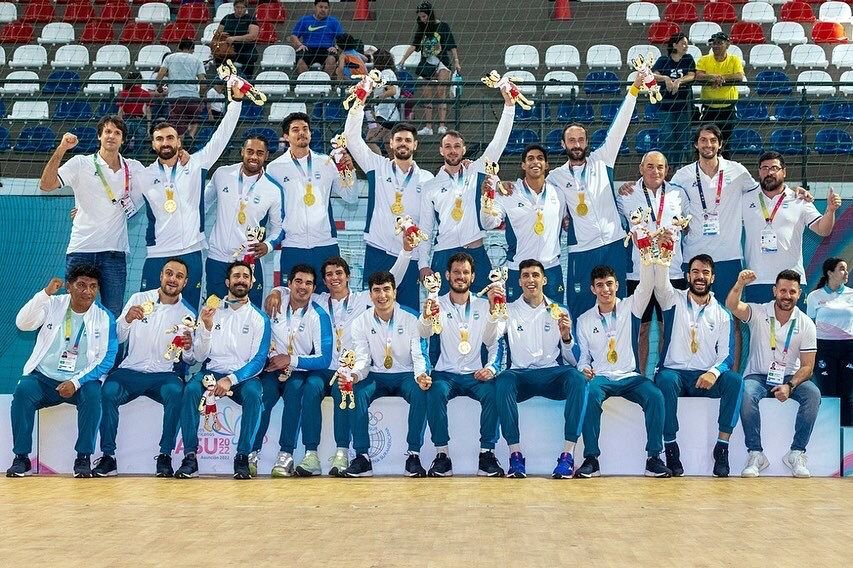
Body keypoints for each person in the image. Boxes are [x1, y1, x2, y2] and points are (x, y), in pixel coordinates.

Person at [262, 235, 414, 476]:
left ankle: (342, 452)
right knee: (311, 387)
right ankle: (311, 454)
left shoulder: (363, 299)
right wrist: (275, 290)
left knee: (345, 390)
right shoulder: (318, 299)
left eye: (339, 273)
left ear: (348, 276)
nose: (335, 278)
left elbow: (393, 278)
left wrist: (405, 252)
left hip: (350, 370)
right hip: (323, 367)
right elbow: (294, 289)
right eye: (330, 274)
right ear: (323, 281)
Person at [137, 83, 245, 310]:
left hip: (191, 252)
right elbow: (123, 201)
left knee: (188, 314)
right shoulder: (143, 176)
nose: (165, 143)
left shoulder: (196, 164)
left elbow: (221, 136)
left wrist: (235, 102)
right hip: (158, 253)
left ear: (179, 141)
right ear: (153, 143)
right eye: (160, 139)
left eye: (170, 138)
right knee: (146, 312)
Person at [6, 265, 118, 478]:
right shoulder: (53, 304)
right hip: (44, 378)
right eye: (82, 285)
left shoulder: (105, 317)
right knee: (22, 392)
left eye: (93, 286)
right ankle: (21, 458)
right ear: (69, 286)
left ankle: (83, 457)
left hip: (81, 381)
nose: (88, 291)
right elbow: (22, 324)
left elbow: (106, 359)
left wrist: (76, 382)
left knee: (95, 395)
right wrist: (44, 294)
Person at [548, 74, 644, 319]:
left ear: (587, 142)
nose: (577, 144)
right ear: (563, 144)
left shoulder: (603, 161)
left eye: (581, 139)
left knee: (619, 304)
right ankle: (582, 357)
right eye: (572, 140)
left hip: (613, 244)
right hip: (582, 249)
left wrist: (633, 89)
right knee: (581, 306)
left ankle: (621, 356)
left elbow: (620, 125)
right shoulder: (555, 178)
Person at [92, 259, 197, 478]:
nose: (172, 279)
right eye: (169, 273)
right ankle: (108, 456)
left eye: (179, 276)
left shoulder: (188, 315)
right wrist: (128, 319)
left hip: (164, 374)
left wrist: (188, 348)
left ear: (185, 282)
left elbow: (188, 359)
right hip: (130, 370)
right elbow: (118, 336)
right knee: (108, 391)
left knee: (177, 393)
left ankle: (165, 456)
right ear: (160, 276)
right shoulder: (138, 300)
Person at [38, 117, 145, 318]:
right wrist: (62, 149)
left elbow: (158, 184)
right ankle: (67, 350)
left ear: (123, 140)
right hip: (82, 250)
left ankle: (109, 351)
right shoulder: (81, 163)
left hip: (114, 253)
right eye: (107, 132)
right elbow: (46, 185)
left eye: (117, 133)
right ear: (99, 136)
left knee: (112, 314)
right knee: (73, 313)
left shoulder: (135, 168)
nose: (111, 136)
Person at [575, 261, 671, 478]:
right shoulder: (584, 320)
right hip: (602, 377)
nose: (605, 289)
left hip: (630, 377)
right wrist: (584, 369)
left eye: (609, 284)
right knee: (589, 395)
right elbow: (583, 357)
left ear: (617, 285)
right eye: (599, 285)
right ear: (592, 289)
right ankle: (591, 459)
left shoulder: (630, 306)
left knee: (655, 395)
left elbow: (646, 286)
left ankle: (653, 458)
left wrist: (645, 255)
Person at [176, 261, 271, 480]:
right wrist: (207, 328)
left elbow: (258, 361)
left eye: (245, 276)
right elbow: (199, 357)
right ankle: (190, 456)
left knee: (254, 394)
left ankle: (243, 457)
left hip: (244, 376)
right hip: (211, 372)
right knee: (190, 391)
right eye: (236, 276)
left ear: (251, 282)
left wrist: (231, 379)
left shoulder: (260, 318)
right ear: (228, 282)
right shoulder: (210, 312)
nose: (241, 280)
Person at [494, 260, 588, 479]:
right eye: (525, 275)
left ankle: (567, 455)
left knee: (577, 378)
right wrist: (494, 312)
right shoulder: (508, 310)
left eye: (535, 275)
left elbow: (573, 359)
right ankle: (515, 456)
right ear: (519, 281)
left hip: (552, 374)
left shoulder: (559, 310)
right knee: (503, 380)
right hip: (521, 375)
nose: (531, 280)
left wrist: (566, 336)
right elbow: (491, 338)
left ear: (544, 280)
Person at [652, 254, 743, 477]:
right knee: (664, 380)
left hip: (705, 377)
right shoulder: (672, 300)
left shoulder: (722, 314)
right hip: (676, 373)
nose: (700, 277)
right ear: (687, 276)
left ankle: (722, 447)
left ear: (713, 278)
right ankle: (671, 448)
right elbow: (661, 282)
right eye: (695, 272)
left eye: (705, 272)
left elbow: (727, 355)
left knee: (734, 380)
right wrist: (665, 252)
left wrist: (713, 372)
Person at [418, 87, 514, 295]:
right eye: (448, 146)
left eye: (457, 146)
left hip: (475, 251)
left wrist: (509, 106)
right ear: (441, 150)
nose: (453, 150)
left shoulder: (476, 171)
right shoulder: (430, 187)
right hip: (444, 253)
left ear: (463, 149)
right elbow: (425, 229)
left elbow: (499, 142)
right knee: (442, 314)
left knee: (488, 305)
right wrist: (423, 265)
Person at [419, 252, 506, 477]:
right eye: (456, 272)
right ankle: (442, 455)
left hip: (474, 374)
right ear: (447, 275)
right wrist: (427, 317)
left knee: (494, 391)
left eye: (465, 272)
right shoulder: (436, 303)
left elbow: (495, 341)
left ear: (473, 277)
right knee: (435, 391)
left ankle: (486, 454)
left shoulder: (483, 305)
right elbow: (423, 335)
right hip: (445, 374)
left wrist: (492, 368)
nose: (460, 276)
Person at [727, 269, 820, 478]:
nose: (787, 296)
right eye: (783, 290)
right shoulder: (759, 312)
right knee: (746, 392)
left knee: (813, 395)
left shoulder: (806, 323)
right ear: (774, 291)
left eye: (792, 292)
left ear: (799, 294)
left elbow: (807, 366)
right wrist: (740, 284)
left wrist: (790, 386)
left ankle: (796, 453)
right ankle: (755, 454)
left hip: (790, 378)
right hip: (758, 376)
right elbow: (732, 306)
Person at [339, 271, 430, 478]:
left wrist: (421, 376)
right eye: (377, 290)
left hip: (406, 374)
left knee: (421, 392)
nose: (382, 296)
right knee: (355, 391)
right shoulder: (360, 322)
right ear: (370, 295)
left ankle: (413, 456)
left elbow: (418, 353)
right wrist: (353, 376)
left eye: (386, 289)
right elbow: (362, 357)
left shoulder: (410, 318)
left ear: (395, 292)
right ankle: (362, 457)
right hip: (376, 375)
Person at [343, 104, 434, 309]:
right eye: (399, 139)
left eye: (408, 140)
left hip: (410, 255)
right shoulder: (376, 166)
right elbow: (351, 138)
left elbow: (427, 226)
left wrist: (423, 263)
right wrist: (358, 103)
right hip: (378, 252)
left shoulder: (427, 179)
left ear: (415, 145)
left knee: (409, 314)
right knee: (374, 313)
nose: (403, 144)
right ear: (391, 143)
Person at [267, 112, 358, 293]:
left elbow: (351, 197)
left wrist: (350, 171)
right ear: (286, 137)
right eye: (295, 130)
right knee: (294, 300)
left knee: (331, 298)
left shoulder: (327, 162)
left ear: (310, 133)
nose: (301, 133)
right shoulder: (274, 168)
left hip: (325, 244)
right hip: (293, 245)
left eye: (305, 129)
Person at [255, 265, 332, 477]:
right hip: (271, 368)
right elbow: (261, 338)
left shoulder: (319, 316)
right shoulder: (275, 304)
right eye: (298, 281)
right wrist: (272, 358)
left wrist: (290, 359)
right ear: (289, 285)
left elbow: (324, 359)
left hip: (298, 370)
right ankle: (251, 453)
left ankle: (286, 454)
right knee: (263, 396)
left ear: (314, 288)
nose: (303, 287)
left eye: (308, 283)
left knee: (295, 392)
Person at [616, 151, 689, 373]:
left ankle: (667, 373)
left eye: (660, 167)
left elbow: (688, 226)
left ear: (667, 170)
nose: (655, 171)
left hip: (672, 270)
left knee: (670, 327)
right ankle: (638, 375)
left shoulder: (679, 194)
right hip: (639, 272)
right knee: (642, 327)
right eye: (650, 166)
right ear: (640, 168)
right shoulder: (626, 195)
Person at [741, 152, 840, 303]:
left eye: (774, 168)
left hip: (792, 280)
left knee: (794, 327)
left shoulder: (799, 199)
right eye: (765, 168)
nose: (769, 172)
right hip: (756, 280)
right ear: (759, 172)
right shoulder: (745, 198)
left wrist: (830, 210)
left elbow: (823, 229)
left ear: (784, 171)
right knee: (760, 327)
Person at [204, 135, 284, 306]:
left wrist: (268, 245)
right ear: (242, 152)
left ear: (266, 156)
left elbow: (279, 228)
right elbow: (201, 205)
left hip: (248, 262)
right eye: (250, 151)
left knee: (250, 313)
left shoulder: (273, 189)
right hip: (217, 259)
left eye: (259, 153)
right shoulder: (222, 174)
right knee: (214, 311)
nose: (254, 157)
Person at [480, 145, 566, 302]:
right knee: (516, 322)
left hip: (551, 268)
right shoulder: (509, 194)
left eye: (540, 158)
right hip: (518, 269)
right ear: (523, 165)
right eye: (530, 158)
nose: (535, 162)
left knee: (555, 319)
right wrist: (487, 200)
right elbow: (488, 223)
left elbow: (568, 220)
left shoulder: (559, 194)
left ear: (547, 165)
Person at [399, 2, 461, 136]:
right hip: (426, 63)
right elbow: (414, 45)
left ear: (430, 15)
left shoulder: (443, 26)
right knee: (426, 94)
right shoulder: (421, 28)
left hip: (442, 62)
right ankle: (428, 126)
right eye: (420, 17)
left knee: (441, 92)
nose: (422, 19)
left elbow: (452, 45)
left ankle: (442, 125)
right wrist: (403, 59)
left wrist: (456, 61)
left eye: (424, 16)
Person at [806, 258, 851, 426]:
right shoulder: (814, 297)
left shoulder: (851, 295)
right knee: (828, 392)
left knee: (847, 393)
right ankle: (829, 431)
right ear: (829, 273)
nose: (846, 273)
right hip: (824, 348)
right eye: (841, 269)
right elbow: (809, 326)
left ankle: (847, 434)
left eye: (846, 269)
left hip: (849, 349)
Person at [694, 32, 745, 158]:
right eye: (714, 43)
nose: (716, 46)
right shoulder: (704, 59)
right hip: (709, 107)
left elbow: (739, 76)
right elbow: (699, 75)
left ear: (727, 44)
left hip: (728, 107)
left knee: (726, 141)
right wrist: (714, 77)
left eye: (719, 43)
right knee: (706, 139)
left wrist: (721, 78)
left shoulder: (734, 60)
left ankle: (725, 168)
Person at [651, 33, 695, 173]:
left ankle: (680, 166)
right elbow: (653, 74)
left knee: (683, 136)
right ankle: (666, 165)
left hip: (683, 105)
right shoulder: (664, 60)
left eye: (686, 43)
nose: (686, 46)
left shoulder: (688, 59)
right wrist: (665, 78)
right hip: (666, 105)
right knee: (667, 135)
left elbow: (692, 74)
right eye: (683, 43)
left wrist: (679, 81)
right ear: (674, 45)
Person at [156, 39, 207, 139]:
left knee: (178, 128)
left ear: (179, 47)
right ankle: (191, 136)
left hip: (176, 97)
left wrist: (160, 88)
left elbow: (159, 76)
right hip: (193, 97)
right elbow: (203, 83)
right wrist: (200, 95)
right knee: (194, 120)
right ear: (193, 49)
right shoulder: (197, 60)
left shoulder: (169, 58)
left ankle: (181, 144)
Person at [289, 0, 343, 77]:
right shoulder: (305, 20)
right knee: (301, 61)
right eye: (320, 7)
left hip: (327, 49)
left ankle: (325, 84)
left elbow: (342, 38)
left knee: (331, 59)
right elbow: (293, 36)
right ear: (314, 7)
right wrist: (300, 45)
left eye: (326, 8)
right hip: (308, 49)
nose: (323, 10)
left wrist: (336, 47)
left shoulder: (333, 22)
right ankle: (306, 83)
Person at [364, 49, 400, 157]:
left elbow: (392, 90)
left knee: (370, 140)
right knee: (389, 147)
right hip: (391, 114)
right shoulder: (389, 72)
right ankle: (394, 169)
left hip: (385, 114)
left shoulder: (385, 73)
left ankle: (380, 165)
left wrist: (377, 99)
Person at [216, 0, 259, 78]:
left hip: (246, 48)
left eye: (242, 7)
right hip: (228, 48)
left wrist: (234, 38)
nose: (239, 10)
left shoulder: (250, 19)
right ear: (234, 8)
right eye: (237, 7)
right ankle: (222, 80)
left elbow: (253, 36)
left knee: (250, 56)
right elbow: (218, 33)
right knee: (218, 56)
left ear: (246, 8)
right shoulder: (227, 18)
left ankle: (247, 79)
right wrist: (221, 36)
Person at [116, 71, 152, 151]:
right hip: (140, 120)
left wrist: (119, 125)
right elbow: (148, 111)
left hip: (127, 120)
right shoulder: (145, 94)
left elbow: (120, 111)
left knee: (123, 145)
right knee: (139, 148)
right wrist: (149, 127)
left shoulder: (124, 93)